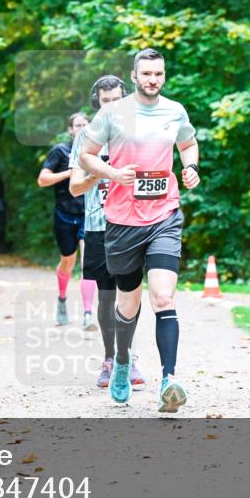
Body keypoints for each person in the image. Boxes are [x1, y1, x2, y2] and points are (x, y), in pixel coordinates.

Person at [77, 48, 200, 413]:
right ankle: (121, 362)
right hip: (122, 220)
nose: (153, 80)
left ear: (164, 75)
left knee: (163, 296)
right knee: (127, 303)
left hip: (164, 214)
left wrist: (190, 167)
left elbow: (188, 143)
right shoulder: (112, 113)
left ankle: (169, 380)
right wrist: (112, 173)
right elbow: (86, 154)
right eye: (146, 74)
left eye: (158, 74)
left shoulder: (175, 111)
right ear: (134, 76)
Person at [69, 75, 147, 391]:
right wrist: (100, 173)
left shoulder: (138, 133)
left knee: (129, 293)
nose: (112, 106)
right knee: (106, 296)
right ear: (97, 103)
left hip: (130, 223)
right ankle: (110, 357)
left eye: (117, 100)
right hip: (98, 226)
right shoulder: (86, 137)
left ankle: (127, 355)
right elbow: (75, 187)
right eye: (106, 101)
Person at [38, 114, 93, 329]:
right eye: (77, 125)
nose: (81, 128)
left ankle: (88, 313)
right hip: (64, 215)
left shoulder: (95, 152)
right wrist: (70, 173)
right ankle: (62, 298)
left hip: (88, 214)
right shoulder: (60, 151)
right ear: (71, 130)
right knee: (68, 262)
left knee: (87, 263)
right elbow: (42, 180)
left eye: (85, 124)